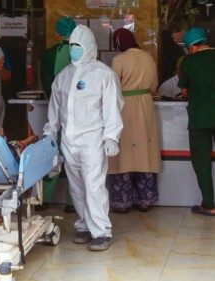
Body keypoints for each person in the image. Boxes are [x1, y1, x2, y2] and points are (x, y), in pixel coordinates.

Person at [43, 25, 124, 251]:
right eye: (72, 46)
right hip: (69, 140)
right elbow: (55, 109)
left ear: (88, 46)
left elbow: (111, 107)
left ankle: (101, 231)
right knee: (76, 187)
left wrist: (111, 137)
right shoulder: (63, 76)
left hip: (93, 140)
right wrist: (50, 132)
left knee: (94, 185)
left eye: (78, 46)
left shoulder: (103, 74)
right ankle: (83, 226)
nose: (74, 50)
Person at [107, 28, 162, 213]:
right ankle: (145, 199)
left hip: (124, 107)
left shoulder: (118, 60)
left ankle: (122, 202)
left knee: (123, 153)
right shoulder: (148, 58)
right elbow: (154, 86)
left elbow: (112, 87)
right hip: (146, 106)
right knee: (144, 152)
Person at [38, 16, 77, 213]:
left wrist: (54, 100)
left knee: (52, 153)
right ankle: (72, 201)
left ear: (57, 32)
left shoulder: (48, 55)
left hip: (56, 109)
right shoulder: (84, 56)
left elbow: (46, 83)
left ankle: (44, 198)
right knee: (74, 156)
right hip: (79, 115)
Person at [177, 27, 215, 216]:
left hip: (200, 118)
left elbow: (184, 91)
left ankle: (209, 204)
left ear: (192, 47)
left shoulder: (189, 62)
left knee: (202, 162)